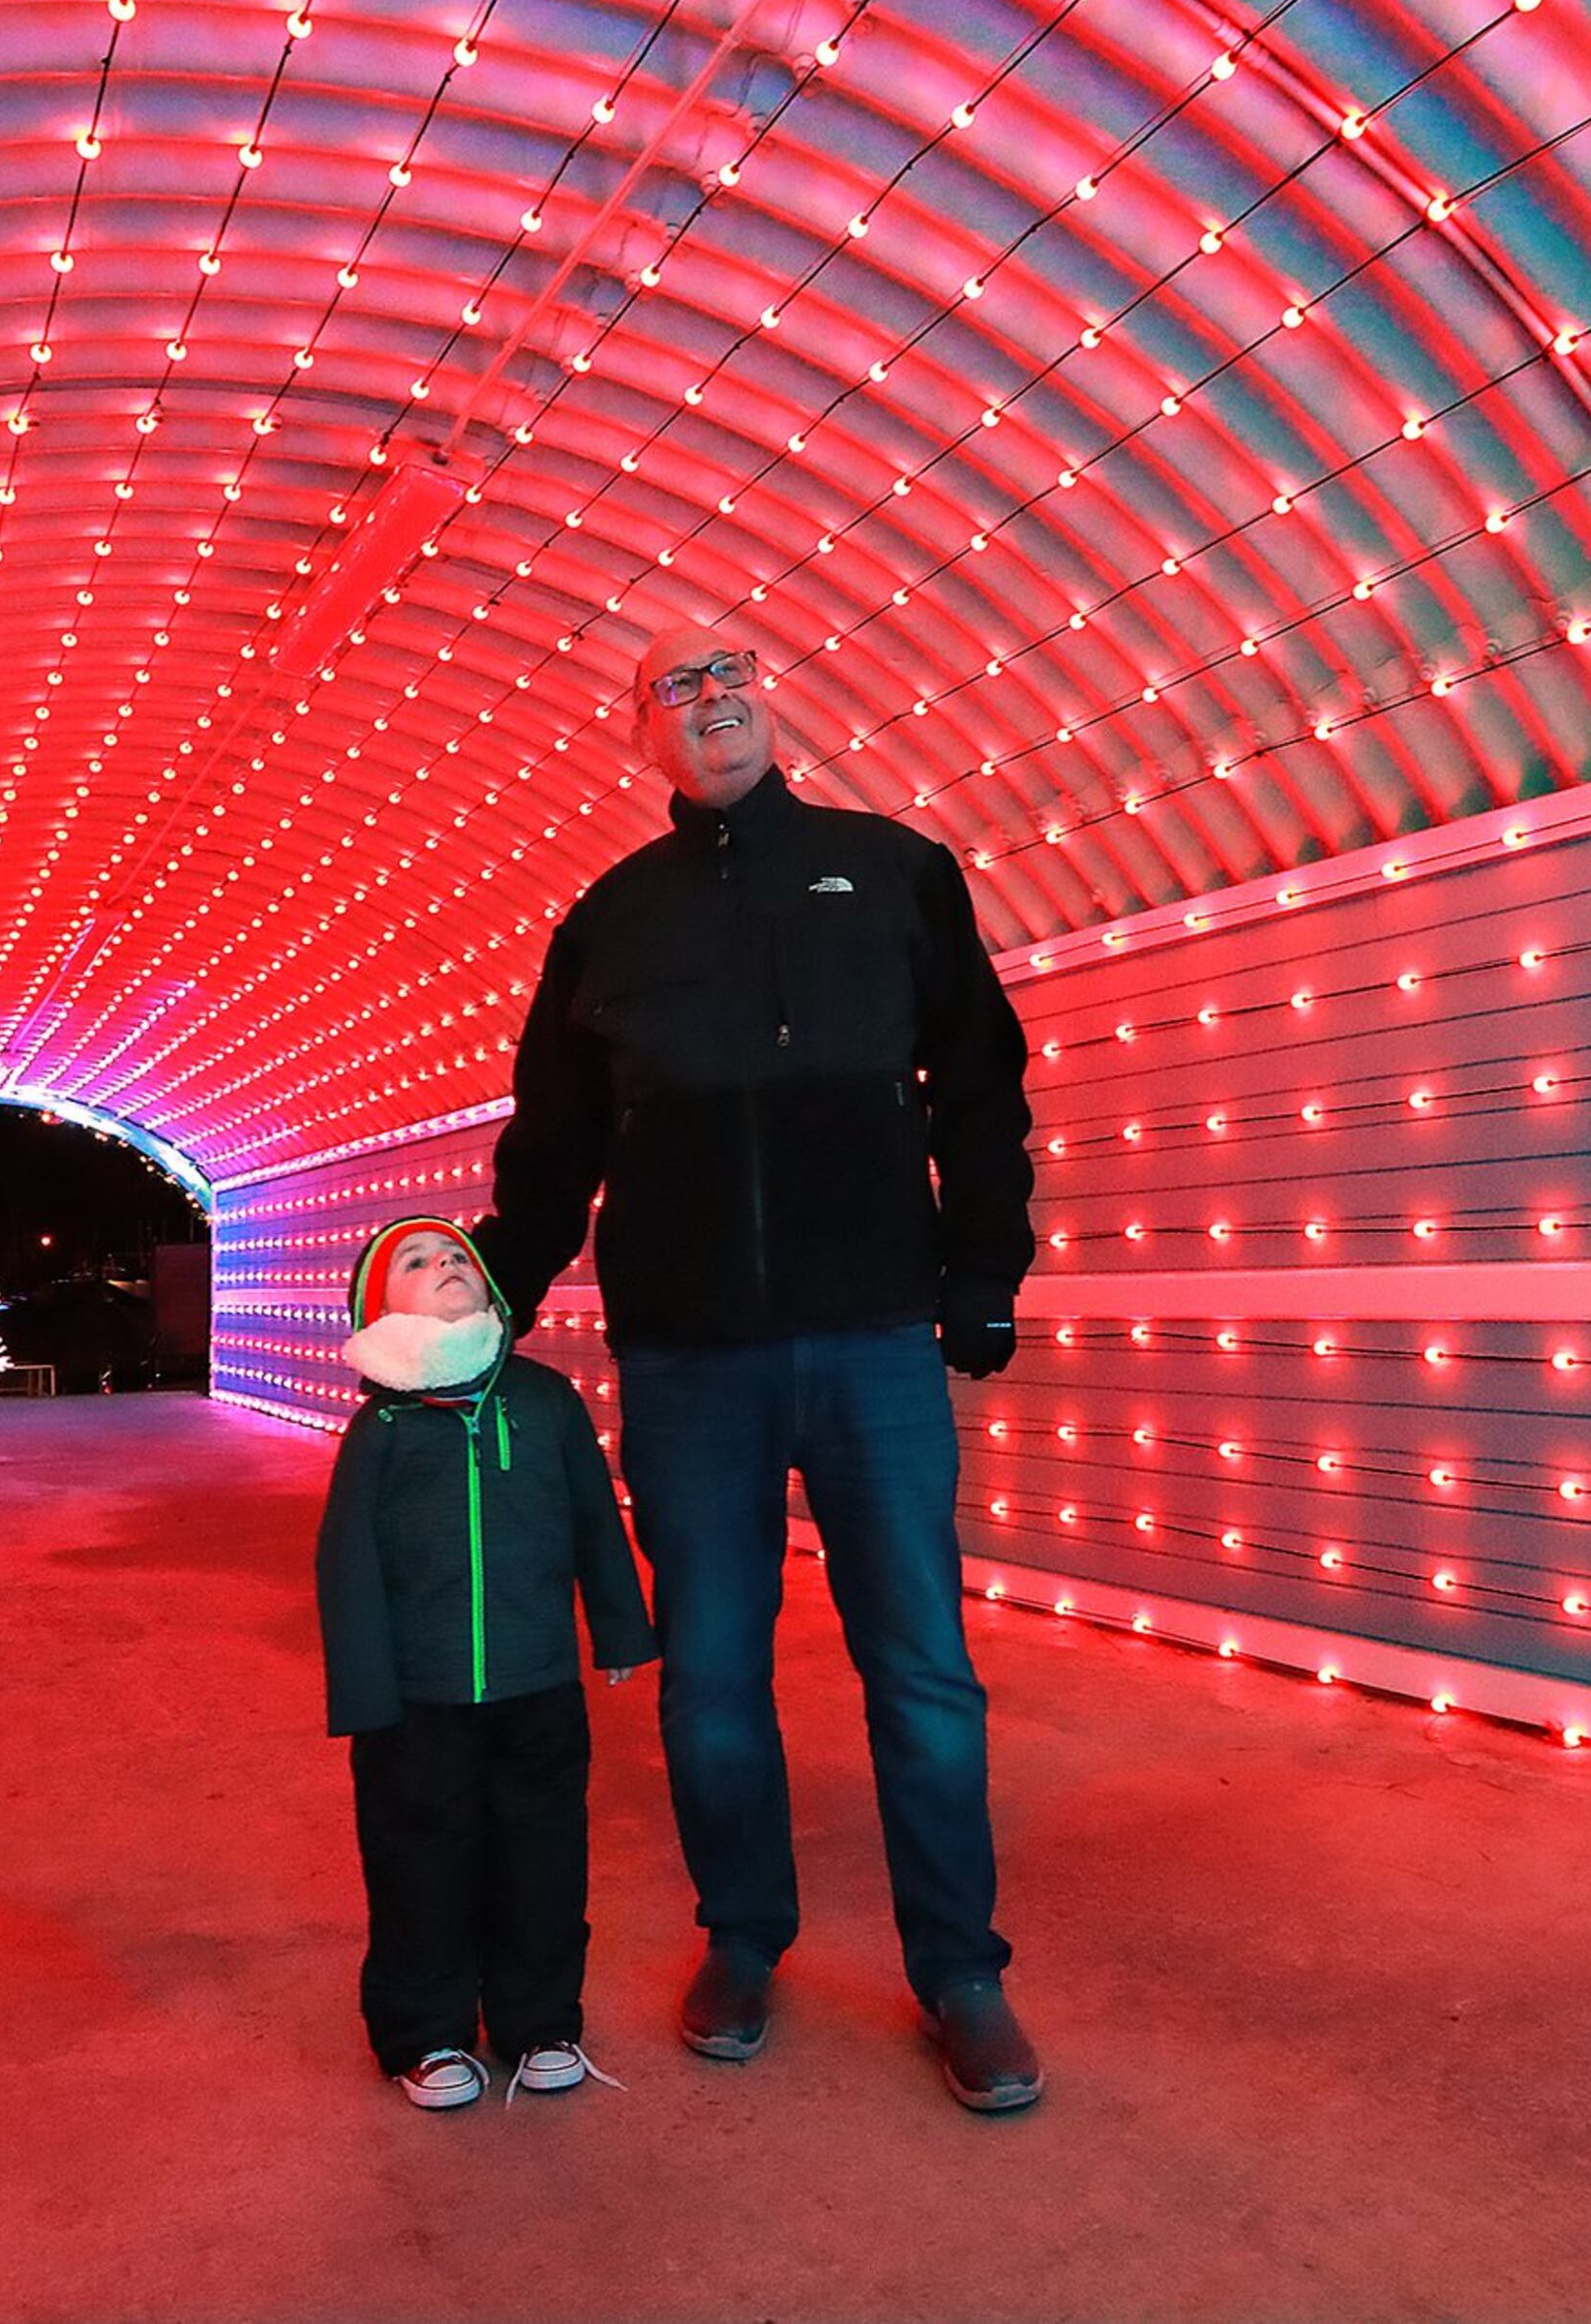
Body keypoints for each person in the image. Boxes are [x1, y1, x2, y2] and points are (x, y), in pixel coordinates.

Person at [471, 619, 1045, 2113]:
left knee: (920, 1669)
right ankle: (745, 1932)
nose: (712, 702)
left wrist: (981, 1268)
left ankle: (960, 1970)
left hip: (872, 1345)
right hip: (689, 1362)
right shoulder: (609, 919)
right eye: (679, 688)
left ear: (773, 703)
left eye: (733, 676)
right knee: (712, 1676)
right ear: (638, 736)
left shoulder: (895, 871)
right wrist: (487, 1304)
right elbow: (553, 1141)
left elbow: (981, 1083)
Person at [314, 1217, 658, 2110]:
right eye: (417, 1264)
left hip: (536, 1685)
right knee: (417, 1859)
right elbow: (346, 1562)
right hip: (414, 1703)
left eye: (457, 1255)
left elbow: (593, 1517)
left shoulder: (543, 1401)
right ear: (379, 1308)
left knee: (542, 1853)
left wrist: (620, 1629)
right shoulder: (382, 1427)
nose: (445, 1266)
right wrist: (362, 1686)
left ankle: (539, 2020)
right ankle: (425, 2033)